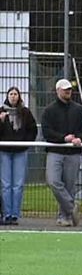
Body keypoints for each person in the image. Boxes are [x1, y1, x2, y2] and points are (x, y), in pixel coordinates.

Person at [41, 79, 82, 226]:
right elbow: (47, 132)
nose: (68, 91)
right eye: (65, 89)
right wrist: (63, 138)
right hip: (55, 151)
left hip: (73, 152)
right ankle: (71, 206)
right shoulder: (49, 110)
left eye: (69, 89)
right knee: (53, 181)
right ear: (58, 90)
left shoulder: (79, 110)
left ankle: (65, 217)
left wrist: (80, 138)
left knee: (69, 185)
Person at [0, 86, 38, 225]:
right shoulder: (2, 112)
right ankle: (6, 214)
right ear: (7, 96)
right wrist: (1, 121)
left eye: (16, 94)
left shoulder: (25, 113)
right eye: (11, 94)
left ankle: (15, 214)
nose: (13, 97)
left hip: (20, 152)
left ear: (19, 96)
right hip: (4, 151)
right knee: (5, 184)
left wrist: (25, 143)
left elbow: (32, 130)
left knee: (18, 184)